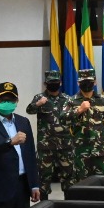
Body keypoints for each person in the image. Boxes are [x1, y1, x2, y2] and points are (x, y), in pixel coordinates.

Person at [62, 68, 104, 188]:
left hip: (99, 149)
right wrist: (79, 110)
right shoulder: (71, 101)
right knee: (82, 184)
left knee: (102, 182)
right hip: (80, 150)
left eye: (89, 81)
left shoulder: (103, 100)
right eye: (83, 81)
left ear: (95, 82)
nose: (87, 84)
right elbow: (62, 120)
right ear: (78, 83)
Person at [26, 69, 73, 198]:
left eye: (56, 82)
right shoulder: (39, 97)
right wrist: (38, 104)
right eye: (50, 82)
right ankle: (43, 207)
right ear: (45, 83)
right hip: (46, 145)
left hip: (65, 145)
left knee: (68, 177)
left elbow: (74, 117)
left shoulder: (68, 99)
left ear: (60, 83)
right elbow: (29, 110)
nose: (53, 84)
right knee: (44, 177)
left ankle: (70, 205)